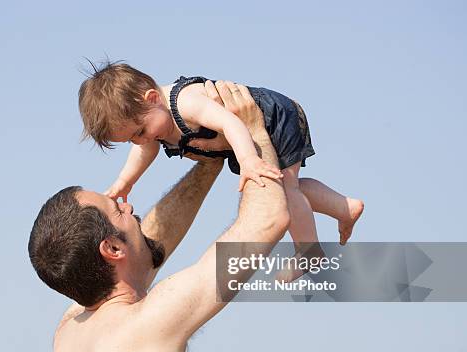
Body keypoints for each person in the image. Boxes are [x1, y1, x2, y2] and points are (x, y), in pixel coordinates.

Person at [29, 81, 289, 352]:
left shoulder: (68, 334)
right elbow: (267, 221)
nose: (128, 206)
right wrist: (253, 132)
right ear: (111, 249)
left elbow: (145, 246)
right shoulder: (151, 322)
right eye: (117, 209)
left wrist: (208, 162)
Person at [79, 62, 364, 280]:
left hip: (272, 117)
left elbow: (231, 123)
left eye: (140, 131)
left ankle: (309, 253)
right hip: (248, 136)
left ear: (152, 98)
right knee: (289, 186)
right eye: (131, 138)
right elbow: (145, 150)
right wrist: (124, 182)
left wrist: (249, 160)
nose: (141, 140)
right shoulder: (152, 123)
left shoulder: (185, 102)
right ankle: (344, 207)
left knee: (284, 190)